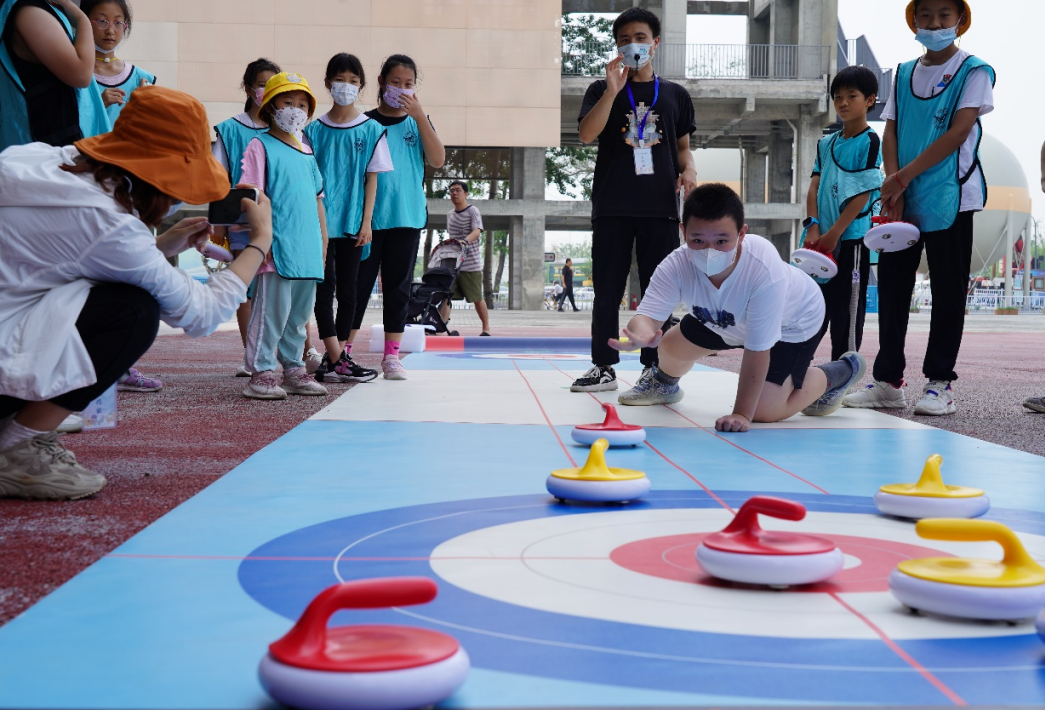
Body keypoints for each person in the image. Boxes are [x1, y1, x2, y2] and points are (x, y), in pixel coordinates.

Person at [0, 85, 274, 500]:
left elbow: (63, 255)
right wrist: (260, 241)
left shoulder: (37, 157)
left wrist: (159, 246)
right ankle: (16, 449)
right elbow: (201, 314)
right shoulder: (110, 226)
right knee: (132, 314)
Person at [613, 184, 866, 432]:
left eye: (722, 240)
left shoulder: (762, 268)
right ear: (683, 231)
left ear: (742, 233)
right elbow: (646, 316)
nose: (710, 250)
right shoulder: (677, 264)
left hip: (792, 321)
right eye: (698, 240)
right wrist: (641, 333)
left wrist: (742, 414)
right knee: (668, 346)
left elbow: (757, 351)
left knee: (763, 411)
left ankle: (841, 372)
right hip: (726, 320)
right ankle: (664, 384)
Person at [844, 0, 993, 416]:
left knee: (947, 293)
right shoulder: (905, 71)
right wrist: (893, 183)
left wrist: (903, 178)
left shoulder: (975, 70)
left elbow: (959, 130)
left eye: (945, 15)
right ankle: (888, 381)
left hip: (951, 196)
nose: (934, 23)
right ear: (914, 20)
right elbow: (890, 128)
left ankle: (939, 382)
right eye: (925, 14)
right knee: (892, 289)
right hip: (902, 196)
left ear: (960, 20)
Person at [572, 6, 698, 393]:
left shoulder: (675, 94)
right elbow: (586, 135)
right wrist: (612, 91)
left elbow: (682, 148)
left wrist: (689, 170)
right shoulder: (601, 89)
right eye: (624, 40)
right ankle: (603, 366)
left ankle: (653, 367)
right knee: (607, 289)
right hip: (612, 204)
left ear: (655, 43)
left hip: (660, 207)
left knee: (658, 291)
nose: (632, 46)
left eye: (640, 38)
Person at [352, 54, 445, 380]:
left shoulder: (418, 122)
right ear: (382, 82)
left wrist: (420, 117)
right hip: (368, 221)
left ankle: (392, 356)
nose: (401, 90)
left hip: (406, 218)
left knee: (398, 289)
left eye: (408, 84)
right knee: (358, 286)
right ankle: (343, 352)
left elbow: (437, 159)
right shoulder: (363, 122)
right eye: (396, 83)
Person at [240, 71, 329, 400]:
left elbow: (318, 199)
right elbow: (252, 194)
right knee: (271, 312)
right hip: (277, 246)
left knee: (299, 316)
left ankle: (294, 368)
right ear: (271, 107)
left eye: (302, 104)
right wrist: (262, 240)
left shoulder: (307, 151)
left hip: (308, 248)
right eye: (288, 102)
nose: (296, 109)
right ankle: (261, 371)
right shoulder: (259, 145)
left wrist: (324, 239)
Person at [305, 52, 390, 384]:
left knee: (350, 291)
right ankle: (339, 359)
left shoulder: (371, 130)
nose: (347, 86)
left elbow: (373, 178)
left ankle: (336, 357)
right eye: (341, 80)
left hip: (354, 223)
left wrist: (367, 221)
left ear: (362, 86)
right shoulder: (313, 131)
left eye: (354, 81)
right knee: (323, 292)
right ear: (328, 84)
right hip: (320, 225)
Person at [802, 65, 882, 361]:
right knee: (810, 308)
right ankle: (797, 371)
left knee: (847, 313)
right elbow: (813, 187)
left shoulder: (871, 142)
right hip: (817, 240)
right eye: (837, 97)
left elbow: (863, 194)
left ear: (870, 100)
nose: (843, 103)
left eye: (852, 96)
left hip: (850, 241)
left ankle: (842, 374)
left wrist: (835, 233)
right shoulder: (826, 143)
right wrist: (813, 226)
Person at [212, 58, 281, 376]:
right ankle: (251, 356)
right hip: (241, 223)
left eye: (273, 84)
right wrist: (218, 226)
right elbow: (218, 178)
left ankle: (285, 353)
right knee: (245, 289)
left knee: (281, 287)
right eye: (261, 84)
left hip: (280, 223)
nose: (266, 91)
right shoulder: (228, 130)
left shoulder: (286, 129)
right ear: (248, 87)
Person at [0, 0, 110, 150]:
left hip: (57, 143)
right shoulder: (30, 12)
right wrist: (82, 19)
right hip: (51, 148)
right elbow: (81, 75)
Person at [83, 0, 153, 124]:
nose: (110, 30)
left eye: (117, 23)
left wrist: (146, 107)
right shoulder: (73, 74)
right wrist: (99, 105)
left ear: (125, 26)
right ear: (84, 22)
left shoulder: (141, 79)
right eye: (102, 21)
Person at [440, 181, 490, 335]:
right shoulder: (450, 215)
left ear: (466, 193)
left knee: (476, 297)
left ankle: (486, 328)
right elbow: (452, 236)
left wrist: (465, 241)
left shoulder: (472, 211)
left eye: (458, 190)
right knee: (446, 295)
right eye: (452, 191)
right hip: (453, 264)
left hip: (471, 264)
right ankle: (439, 328)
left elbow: (477, 231)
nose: (454, 193)